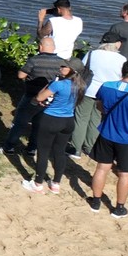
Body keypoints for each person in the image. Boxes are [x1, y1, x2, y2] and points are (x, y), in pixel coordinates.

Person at [87, 55, 128, 218]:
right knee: (124, 174)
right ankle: (119, 207)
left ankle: (95, 201)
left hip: (107, 133)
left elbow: (99, 105)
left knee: (102, 168)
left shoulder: (107, 86)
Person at [25, 59, 82, 194]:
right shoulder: (80, 86)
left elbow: (39, 97)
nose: (60, 68)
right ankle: (56, 183)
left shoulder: (59, 85)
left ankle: (38, 183)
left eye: (64, 67)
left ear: (71, 71)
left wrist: (50, 85)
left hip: (51, 119)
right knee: (59, 152)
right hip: (68, 120)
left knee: (43, 151)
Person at [72, 38, 126, 159]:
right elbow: (122, 76)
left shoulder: (92, 53)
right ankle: (89, 147)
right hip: (106, 93)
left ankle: (75, 148)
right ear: (115, 44)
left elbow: (82, 68)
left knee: (81, 118)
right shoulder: (121, 59)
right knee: (97, 119)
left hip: (88, 89)